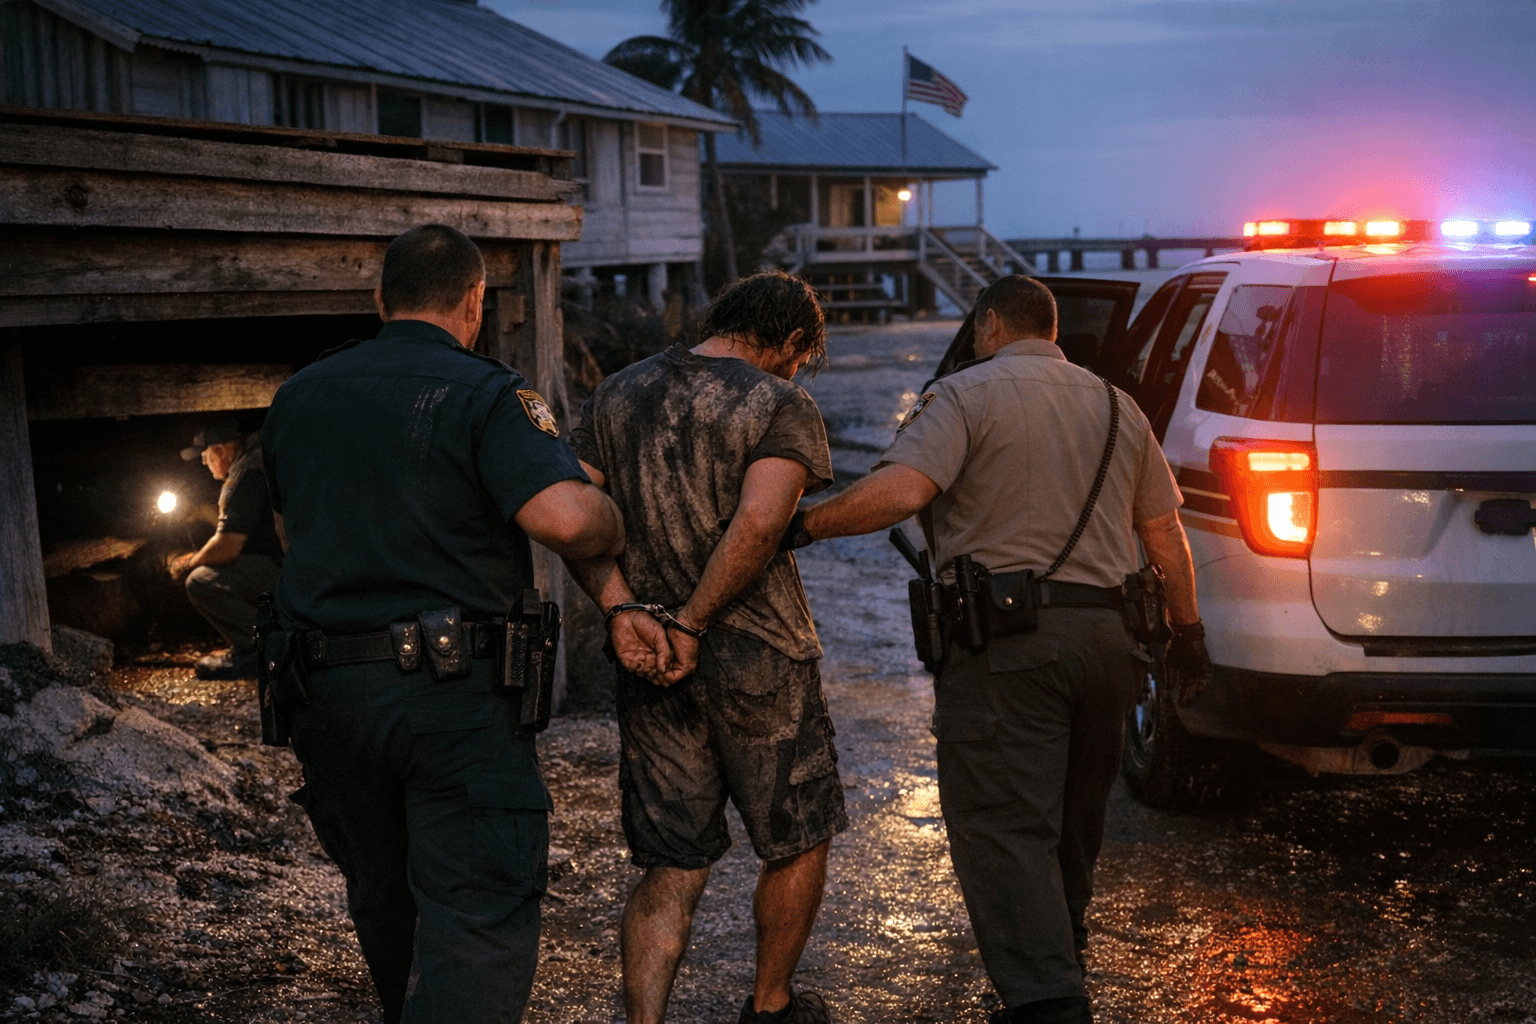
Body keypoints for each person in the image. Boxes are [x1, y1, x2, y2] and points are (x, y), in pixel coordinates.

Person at [792, 275, 1212, 1024]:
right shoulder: (1120, 406)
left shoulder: (962, 395)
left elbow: (900, 492)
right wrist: (1190, 634)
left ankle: (1048, 1005)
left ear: (989, 325)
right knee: (1073, 821)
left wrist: (801, 526)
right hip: (1111, 648)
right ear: (1050, 330)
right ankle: (1062, 965)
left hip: (1010, 651)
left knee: (1004, 827)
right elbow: (1165, 537)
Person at [260, 224, 626, 1024]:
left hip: (326, 695)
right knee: (475, 914)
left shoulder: (299, 396)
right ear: (474, 303)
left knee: (386, 901)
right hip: (452, 696)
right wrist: (609, 516)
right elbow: (564, 520)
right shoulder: (488, 393)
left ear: (380, 298)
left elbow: (291, 539)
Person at [566, 271, 846, 1024]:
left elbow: (572, 517)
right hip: (761, 655)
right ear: (790, 343)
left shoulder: (617, 394)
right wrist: (695, 621)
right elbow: (759, 523)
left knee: (671, 864)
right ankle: (771, 1004)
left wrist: (625, 609)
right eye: (799, 358)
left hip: (649, 654)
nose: (796, 372)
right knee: (796, 836)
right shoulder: (779, 402)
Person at [170, 418, 284, 680]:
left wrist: (190, 562)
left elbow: (229, 546)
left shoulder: (248, 472)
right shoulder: (261, 457)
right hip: (300, 563)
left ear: (220, 451)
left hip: (287, 570)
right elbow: (244, 525)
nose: (203, 462)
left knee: (200, 581)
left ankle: (259, 649)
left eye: (205, 455)